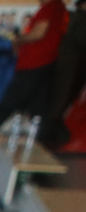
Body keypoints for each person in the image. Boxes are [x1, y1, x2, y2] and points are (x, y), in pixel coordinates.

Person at [0, 0, 69, 151]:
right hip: (44, 64)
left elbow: (38, 33)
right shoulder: (58, 7)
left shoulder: (50, 7)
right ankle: (48, 145)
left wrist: (14, 41)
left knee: (7, 105)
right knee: (39, 109)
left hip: (33, 65)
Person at [43, 0, 86, 145]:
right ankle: (46, 135)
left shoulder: (74, 16)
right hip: (70, 69)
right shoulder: (80, 17)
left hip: (72, 68)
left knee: (63, 100)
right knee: (60, 100)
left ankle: (50, 133)